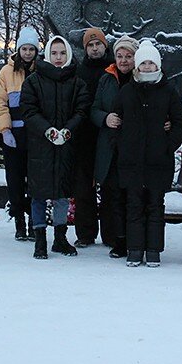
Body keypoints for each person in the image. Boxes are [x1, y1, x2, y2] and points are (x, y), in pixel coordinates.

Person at [115, 41, 182, 267]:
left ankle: (154, 250)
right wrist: (124, 145)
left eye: (151, 63)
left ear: (158, 65)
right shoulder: (127, 91)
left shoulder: (168, 91)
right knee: (134, 206)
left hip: (158, 161)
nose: (147, 67)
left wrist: (167, 145)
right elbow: (116, 121)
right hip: (132, 162)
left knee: (156, 206)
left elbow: (180, 123)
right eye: (143, 63)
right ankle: (135, 249)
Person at [20, 35, 91, 259]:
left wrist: (68, 130)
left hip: (67, 147)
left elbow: (82, 110)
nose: (58, 57)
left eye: (62, 53)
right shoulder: (33, 81)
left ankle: (60, 238)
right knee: (39, 195)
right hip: (41, 147)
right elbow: (28, 110)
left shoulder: (78, 82)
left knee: (62, 195)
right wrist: (47, 130)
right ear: (47, 54)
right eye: (54, 53)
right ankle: (40, 239)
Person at [91, 35, 139, 257]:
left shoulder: (143, 78)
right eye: (120, 56)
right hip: (110, 148)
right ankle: (118, 240)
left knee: (134, 197)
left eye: (128, 56)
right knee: (114, 198)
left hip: (135, 148)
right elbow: (94, 109)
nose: (124, 60)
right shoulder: (106, 79)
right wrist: (105, 117)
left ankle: (136, 239)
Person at [0, 26, 39, 241]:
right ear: (18, 49)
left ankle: (33, 221)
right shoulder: (6, 72)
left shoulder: (42, 70)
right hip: (14, 136)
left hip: (36, 135)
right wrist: (5, 129)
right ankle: (19, 221)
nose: (27, 53)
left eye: (31, 49)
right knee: (15, 181)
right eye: (24, 49)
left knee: (35, 181)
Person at [72, 27, 114, 247]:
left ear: (105, 46)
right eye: (90, 45)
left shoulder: (114, 69)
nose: (95, 48)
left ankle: (110, 233)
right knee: (84, 188)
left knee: (109, 187)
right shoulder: (79, 72)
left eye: (98, 44)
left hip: (108, 135)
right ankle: (86, 233)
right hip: (84, 137)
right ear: (85, 48)